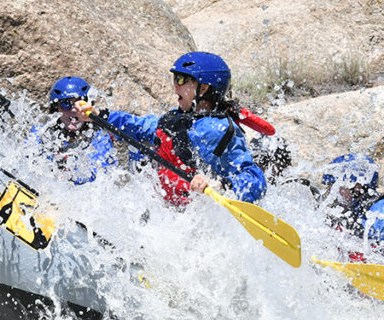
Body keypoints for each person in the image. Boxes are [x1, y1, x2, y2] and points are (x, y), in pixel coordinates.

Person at [75, 52, 267, 206]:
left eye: (182, 79)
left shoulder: (220, 130)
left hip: (195, 216)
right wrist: (101, 115)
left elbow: (255, 179)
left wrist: (221, 185)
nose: (175, 85)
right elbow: (140, 126)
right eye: (175, 78)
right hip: (165, 211)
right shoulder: (176, 119)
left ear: (203, 89)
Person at [28, 76, 119, 184]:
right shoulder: (42, 131)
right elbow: (25, 163)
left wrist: (67, 174)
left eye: (80, 104)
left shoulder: (99, 135)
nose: (74, 110)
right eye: (66, 104)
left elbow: (100, 176)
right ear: (56, 108)